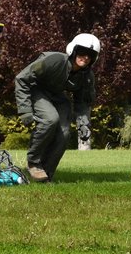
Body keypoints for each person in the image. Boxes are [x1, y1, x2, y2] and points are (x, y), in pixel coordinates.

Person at [14, 33, 100, 182]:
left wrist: (84, 125)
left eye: (90, 55)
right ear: (73, 50)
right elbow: (22, 79)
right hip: (38, 90)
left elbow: (83, 102)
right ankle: (34, 162)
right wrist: (25, 110)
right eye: (82, 52)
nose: (85, 57)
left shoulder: (86, 76)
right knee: (50, 119)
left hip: (58, 97)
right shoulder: (53, 60)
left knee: (65, 134)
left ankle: (46, 174)